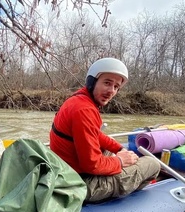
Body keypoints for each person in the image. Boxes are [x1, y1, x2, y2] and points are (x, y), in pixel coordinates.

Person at [49, 57, 161, 203]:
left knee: (111, 145)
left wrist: (119, 149)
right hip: (79, 184)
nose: (111, 91)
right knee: (153, 165)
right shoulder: (85, 110)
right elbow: (91, 165)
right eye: (107, 83)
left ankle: (123, 175)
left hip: (66, 171)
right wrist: (120, 161)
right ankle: (121, 192)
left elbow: (96, 134)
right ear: (92, 82)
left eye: (116, 87)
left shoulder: (78, 100)